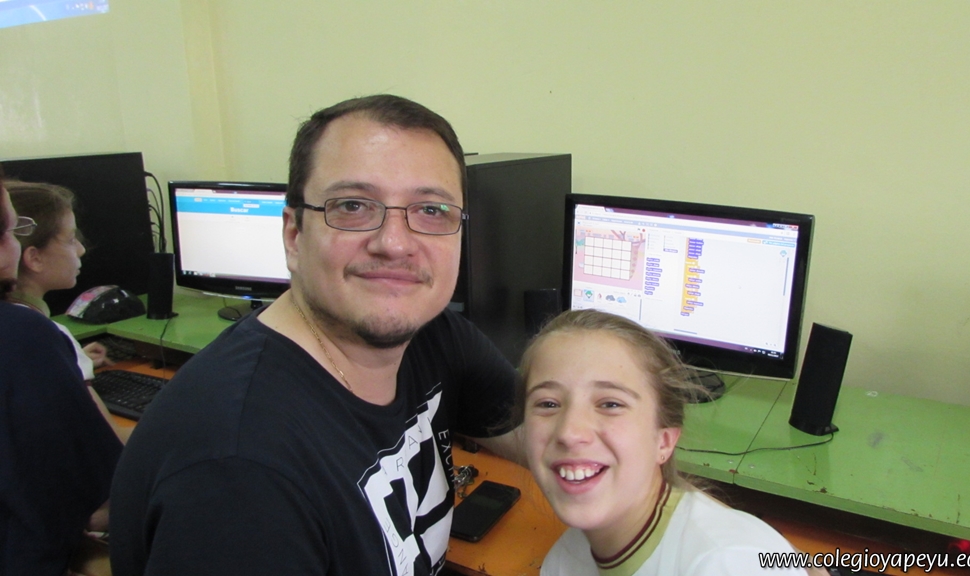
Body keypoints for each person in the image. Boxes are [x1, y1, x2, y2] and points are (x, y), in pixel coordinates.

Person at [110, 95, 520, 576]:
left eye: (431, 210)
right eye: (352, 205)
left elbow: (554, 438)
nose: (394, 244)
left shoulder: (433, 335)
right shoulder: (238, 472)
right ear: (294, 235)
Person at [520, 309, 810, 575]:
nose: (569, 432)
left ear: (664, 441)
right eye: (547, 404)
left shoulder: (727, 564)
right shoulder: (564, 561)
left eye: (610, 404)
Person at [0, 166, 124, 575]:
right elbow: (103, 499)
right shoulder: (26, 334)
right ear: (28, 256)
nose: (82, 250)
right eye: (8, 232)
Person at [5, 180, 113, 379]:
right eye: (71, 240)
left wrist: (72, 358)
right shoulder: (42, 332)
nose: (81, 249)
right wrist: (71, 360)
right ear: (35, 258)